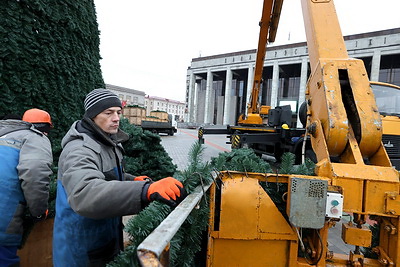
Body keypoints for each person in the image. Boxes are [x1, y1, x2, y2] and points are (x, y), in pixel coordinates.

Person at [53, 88, 186, 266]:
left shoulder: (108, 142)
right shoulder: (79, 150)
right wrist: (144, 191)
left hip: (104, 236)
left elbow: (108, 177)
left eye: (118, 112)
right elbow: (85, 194)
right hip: (81, 246)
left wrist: (132, 180)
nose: (116, 118)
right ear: (92, 116)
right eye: (108, 113)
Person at [0, 109, 53, 267]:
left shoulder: (4, 134)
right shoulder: (35, 138)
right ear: (45, 128)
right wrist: (38, 211)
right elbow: (35, 174)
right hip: (4, 211)